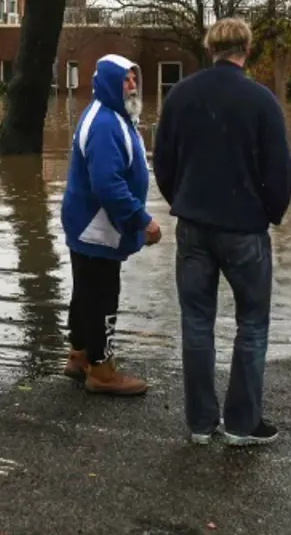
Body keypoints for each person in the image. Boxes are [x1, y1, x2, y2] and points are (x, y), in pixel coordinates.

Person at [154, 18, 291, 446]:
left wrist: (183, 198)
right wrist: (271, 213)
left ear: (209, 47)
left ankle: (200, 423)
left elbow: (162, 163)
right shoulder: (262, 100)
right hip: (245, 229)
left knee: (197, 323)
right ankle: (242, 422)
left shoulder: (180, 96)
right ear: (246, 51)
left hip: (193, 226)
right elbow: (280, 170)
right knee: (251, 324)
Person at [60, 54, 161, 396]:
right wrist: (142, 221)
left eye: (135, 78)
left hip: (87, 225)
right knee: (103, 296)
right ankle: (101, 370)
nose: (132, 85)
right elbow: (108, 185)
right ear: (108, 83)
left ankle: (79, 355)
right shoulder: (105, 124)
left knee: (85, 292)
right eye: (125, 79)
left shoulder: (110, 116)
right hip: (97, 227)